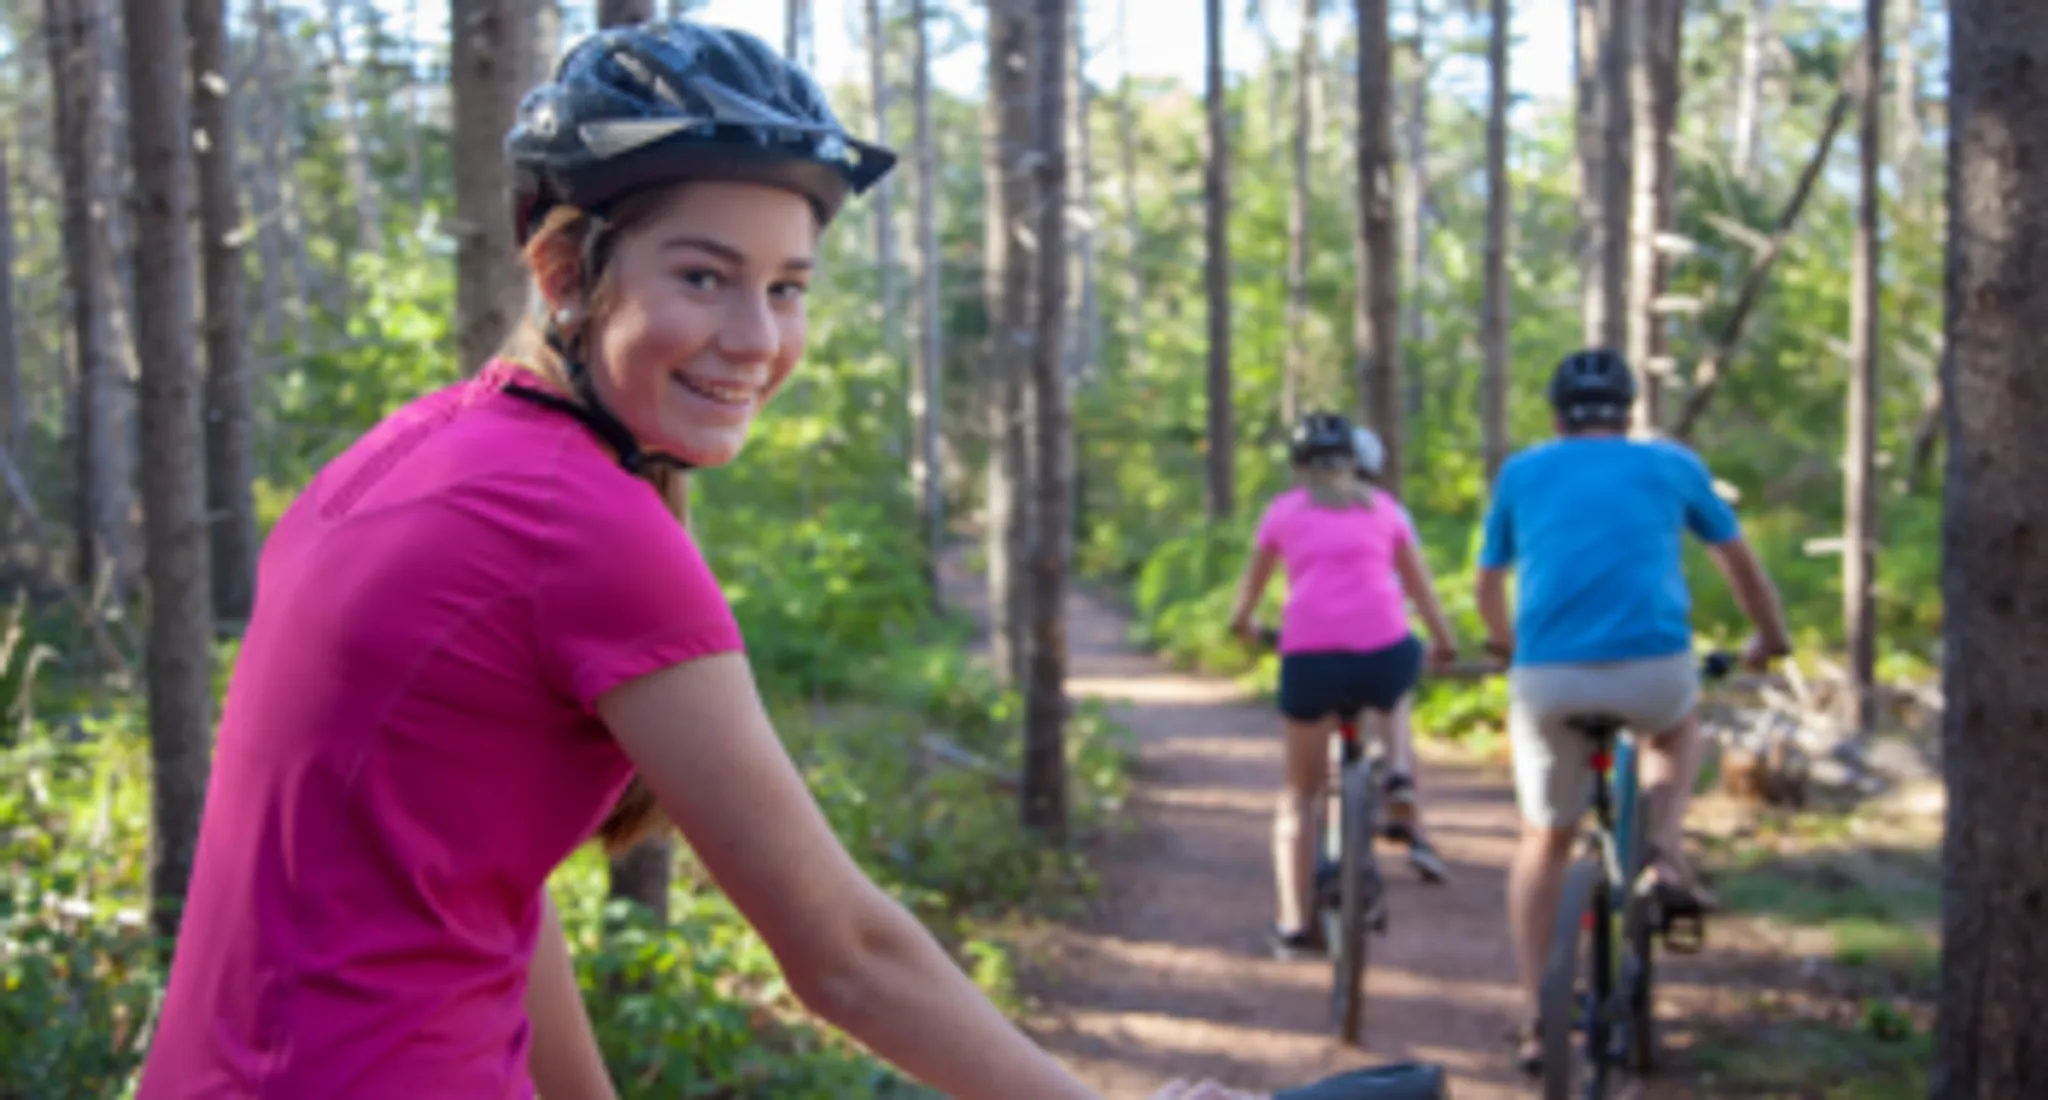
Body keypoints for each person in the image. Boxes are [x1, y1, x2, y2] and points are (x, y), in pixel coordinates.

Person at [134, 22, 1253, 1100]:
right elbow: (846, 955)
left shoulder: (410, 450)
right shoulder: (578, 523)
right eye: (705, 277)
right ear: (564, 270)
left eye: (786, 287)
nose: (757, 338)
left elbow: (474, 874)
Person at [1475, 348, 1792, 1074]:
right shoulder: (1672, 465)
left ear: (1557, 417)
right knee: (1676, 728)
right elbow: (1740, 564)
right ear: (1628, 413)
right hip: (1653, 668)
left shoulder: (1522, 472)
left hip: (1548, 677)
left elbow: (1489, 586)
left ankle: (1538, 1021)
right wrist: (1770, 639)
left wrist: (1506, 646)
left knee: (1543, 841)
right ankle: (1664, 850)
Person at [1228, 411, 1461, 960]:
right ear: (1354, 464)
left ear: (1298, 467)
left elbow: (1247, 598)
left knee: (1300, 793)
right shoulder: (1385, 510)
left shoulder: (1282, 513)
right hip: (1383, 658)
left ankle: (1293, 921)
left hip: (1310, 661)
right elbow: (1421, 591)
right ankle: (1397, 772)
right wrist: (1445, 643)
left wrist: (1246, 628)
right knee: (1399, 672)